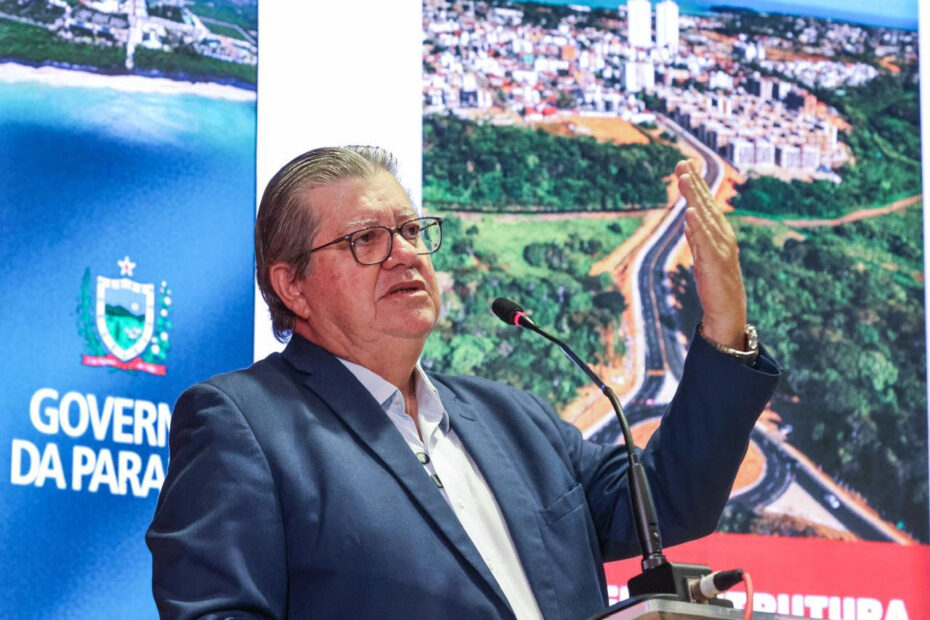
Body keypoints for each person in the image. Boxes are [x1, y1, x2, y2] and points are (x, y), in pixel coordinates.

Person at [146, 146, 780, 619]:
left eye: (411, 231)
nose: (404, 253)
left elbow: (669, 500)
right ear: (292, 286)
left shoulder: (515, 419)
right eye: (366, 239)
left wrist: (725, 326)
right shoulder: (244, 422)